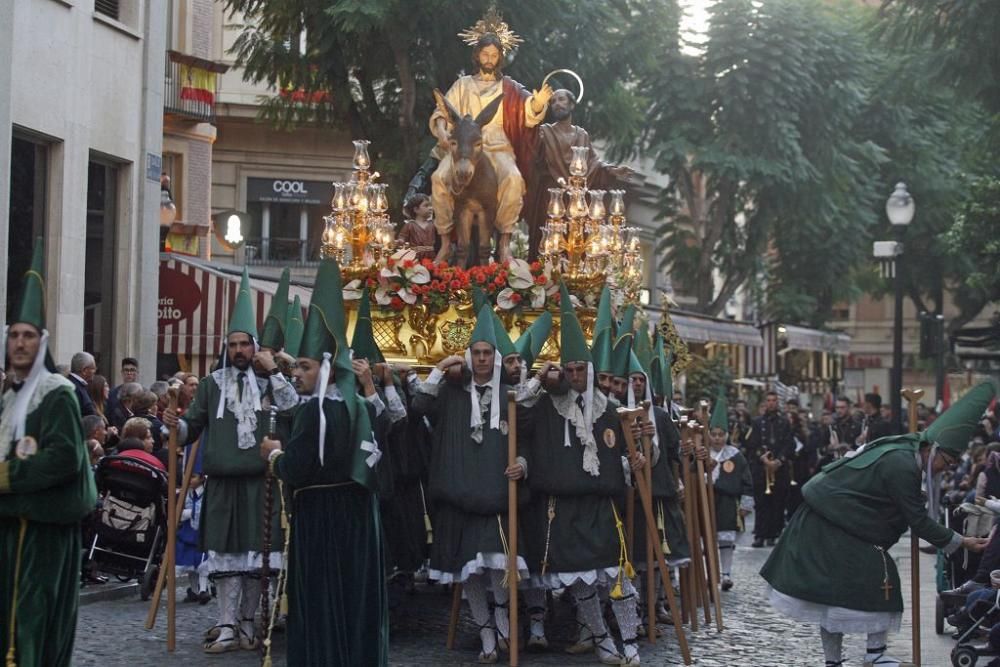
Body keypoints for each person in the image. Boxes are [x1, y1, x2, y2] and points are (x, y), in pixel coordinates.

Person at [761, 380, 997, 667]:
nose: (945, 469)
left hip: (837, 519)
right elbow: (918, 521)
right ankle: (868, 655)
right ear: (932, 450)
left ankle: (853, 657)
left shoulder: (905, 450)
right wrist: (961, 542)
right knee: (866, 583)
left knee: (838, 595)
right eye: (946, 462)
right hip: (828, 522)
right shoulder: (903, 464)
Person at [161, 268, 298, 654]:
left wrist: (273, 370)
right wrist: (176, 425)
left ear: (255, 346)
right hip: (221, 481)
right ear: (227, 347)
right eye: (233, 344)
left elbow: (293, 410)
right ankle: (224, 624)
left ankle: (249, 623)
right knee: (224, 557)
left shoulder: (272, 381)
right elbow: (192, 425)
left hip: (262, 482)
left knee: (257, 559)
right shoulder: (210, 383)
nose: (239, 350)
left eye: (244, 344)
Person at [260, 258, 388, 666]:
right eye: (296, 365)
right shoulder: (360, 407)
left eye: (305, 366)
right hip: (358, 517)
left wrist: (274, 455)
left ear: (328, 370)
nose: (297, 373)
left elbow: (297, 468)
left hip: (322, 519)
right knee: (354, 597)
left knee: (322, 597)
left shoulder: (313, 413)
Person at [518, 282, 644, 666]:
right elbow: (516, 413)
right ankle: (604, 641)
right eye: (568, 368)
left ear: (590, 371)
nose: (574, 374)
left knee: (618, 580)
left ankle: (631, 643)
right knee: (578, 581)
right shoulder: (545, 405)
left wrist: (632, 463)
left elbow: (620, 454)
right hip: (562, 509)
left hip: (602, 506)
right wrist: (540, 379)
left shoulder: (612, 410)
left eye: (579, 368)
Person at [0, 240, 97, 666]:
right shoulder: (10, 395)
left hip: (41, 534)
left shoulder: (56, 394)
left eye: (28, 336)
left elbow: (63, 458)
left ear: (42, 342)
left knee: (31, 624)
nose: (20, 344)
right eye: (14, 336)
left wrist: (6, 477)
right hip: (11, 528)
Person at [411, 303, 527, 663]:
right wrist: (440, 369)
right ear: (468, 355)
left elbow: (528, 438)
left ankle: (505, 626)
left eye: (487, 353)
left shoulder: (511, 396)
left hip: (496, 499)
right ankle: (486, 634)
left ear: (495, 357)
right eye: (475, 353)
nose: (481, 359)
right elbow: (417, 409)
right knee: (471, 574)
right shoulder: (449, 393)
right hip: (459, 499)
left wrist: (522, 461)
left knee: (497, 570)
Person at [429, 7, 551, 263]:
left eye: (494, 54)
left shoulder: (510, 89)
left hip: (497, 147)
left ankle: (505, 242)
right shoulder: (462, 85)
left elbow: (527, 113)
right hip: (463, 149)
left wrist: (538, 103)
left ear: (500, 58)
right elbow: (442, 113)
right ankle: (445, 242)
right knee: (439, 178)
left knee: (514, 180)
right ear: (477, 55)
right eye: (485, 53)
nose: (489, 58)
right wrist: (441, 132)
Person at [524, 88, 633, 259]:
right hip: (551, 196)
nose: (557, 104)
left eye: (561, 99)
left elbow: (593, 164)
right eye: (553, 102)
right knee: (547, 242)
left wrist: (611, 169)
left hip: (576, 199)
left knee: (576, 243)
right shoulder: (544, 132)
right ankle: (542, 275)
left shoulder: (582, 135)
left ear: (572, 104)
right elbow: (530, 154)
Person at [706, 391, 753, 591]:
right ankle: (708, 573)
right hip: (707, 502)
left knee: (726, 538)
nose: (717, 439)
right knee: (706, 539)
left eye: (721, 435)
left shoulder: (736, 456)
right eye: (714, 434)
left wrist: (746, 504)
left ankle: (726, 574)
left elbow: (747, 481)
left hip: (726, 503)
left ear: (727, 435)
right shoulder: (702, 453)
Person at [746, 391, 794, 547]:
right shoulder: (757, 422)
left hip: (779, 468)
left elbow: (789, 444)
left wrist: (779, 461)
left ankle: (773, 533)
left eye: (774, 400)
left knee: (778, 502)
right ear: (765, 403)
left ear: (777, 402)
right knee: (761, 503)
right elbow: (752, 444)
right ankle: (760, 534)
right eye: (768, 400)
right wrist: (764, 459)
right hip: (762, 468)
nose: (771, 403)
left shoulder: (785, 422)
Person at [177, 471, 211, 605]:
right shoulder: (185, 494)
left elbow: (204, 511)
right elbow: (177, 511)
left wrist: (187, 513)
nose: (189, 480)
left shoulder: (206, 494)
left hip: (202, 533)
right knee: (190, 562)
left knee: (202, 562)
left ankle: (203, 590)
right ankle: (194, 590)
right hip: (187, 532)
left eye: (193, 476)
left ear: (202, 478)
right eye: (187, 476)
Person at [397, 194, 438, 261]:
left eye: (431, 206)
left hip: (431, 257)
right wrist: (401, 241)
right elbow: (402, 237)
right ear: (416, 209)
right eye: (426, 205)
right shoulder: (410, 225)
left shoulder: (433, 224)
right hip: (415, 257)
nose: (431, 208)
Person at [67, 351, 98, 417]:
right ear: (84, 370)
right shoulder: (74, 388)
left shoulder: (80, 386)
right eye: (93, 368)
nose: (95, 371)